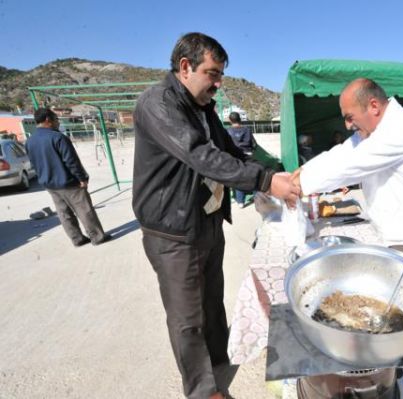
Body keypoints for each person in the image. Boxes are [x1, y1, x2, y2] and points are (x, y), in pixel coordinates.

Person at [132, 32, 299, 399]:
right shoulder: (158, 104)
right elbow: (200, 156)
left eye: (220, 74)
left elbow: (228, 152)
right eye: (212, 73)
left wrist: (277, 172)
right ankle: (203, 390)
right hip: (173, 231)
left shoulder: (203, 107)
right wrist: (268, 183)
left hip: (205, 220)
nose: (218, 83)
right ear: (185, 67)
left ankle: (218, 358)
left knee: (211, 300)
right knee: (186, 318)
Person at [292, 78, 403, 265]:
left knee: (399, 293)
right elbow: (342, 153)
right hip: (388, 231)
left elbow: (349, 166)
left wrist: (297, 185)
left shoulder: (401, 129)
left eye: (349, 117)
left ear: (374, 106)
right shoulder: (373, 130)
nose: (347, 125)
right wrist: (301, 171)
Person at [25, 107, 111, 247]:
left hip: (50, 184)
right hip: (69, 183)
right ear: (48, 120)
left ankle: (77, 239)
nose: (58, 122)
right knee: (84, 210)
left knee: (64, 213)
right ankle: (97, 237)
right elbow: (71, 161)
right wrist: (82, 178)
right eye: (56, 119)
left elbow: (34, 163)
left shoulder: (30, 141)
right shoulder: (58, 137)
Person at [226, 111, 254, 208]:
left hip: (235, 156)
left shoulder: (227, 131)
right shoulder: (247, 130)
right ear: (240, 119)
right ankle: (257, 196)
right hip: (248, 154)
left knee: (239, 177)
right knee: (252, 175)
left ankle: (240, 201)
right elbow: (254, 144)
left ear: (230, 120)